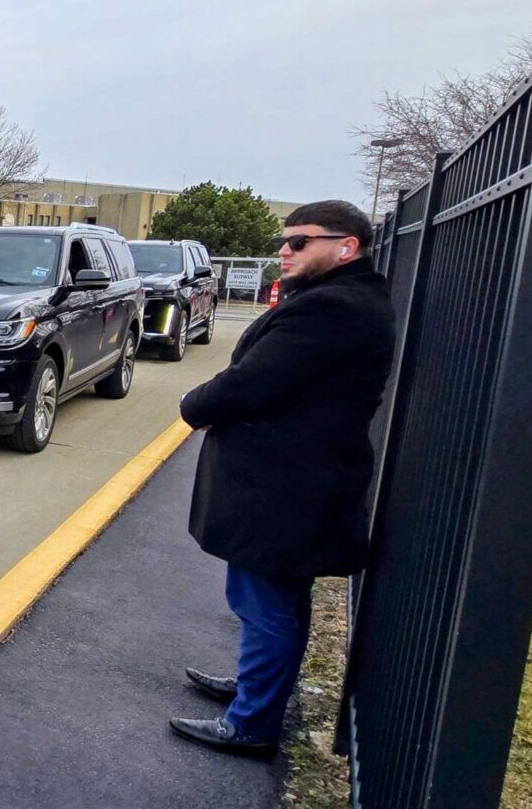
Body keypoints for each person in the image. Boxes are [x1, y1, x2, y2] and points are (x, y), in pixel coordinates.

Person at [168, 200, 395, 757]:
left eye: (299, 242)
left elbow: (253, 382)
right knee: (276, 600)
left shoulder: (332, 309)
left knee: (265, 603)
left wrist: (192, 403)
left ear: (347, 247)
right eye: (282, 242)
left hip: (286, 487)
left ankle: (251, 723)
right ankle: (256, 693)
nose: (284, 252)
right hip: (294, 481)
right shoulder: (340, 299)